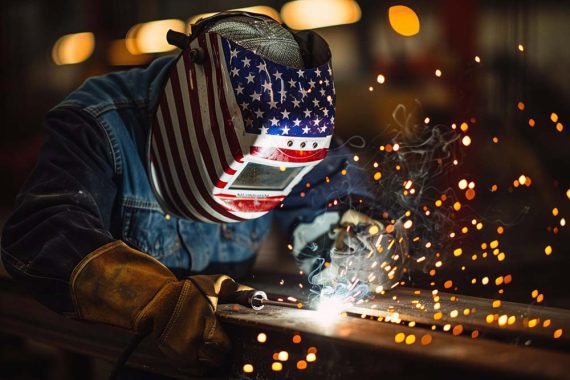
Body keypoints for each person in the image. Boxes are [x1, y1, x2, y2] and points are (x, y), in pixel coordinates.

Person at [1, 11, 400, 375]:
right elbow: (41, 233)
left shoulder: (292, 125)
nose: (266, 187)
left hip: (228, 349)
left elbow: (330, 188)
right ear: (200, 116)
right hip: (131, 355)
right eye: (259, 168)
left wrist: (346, 234)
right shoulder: (100, 125)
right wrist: (155, 298)